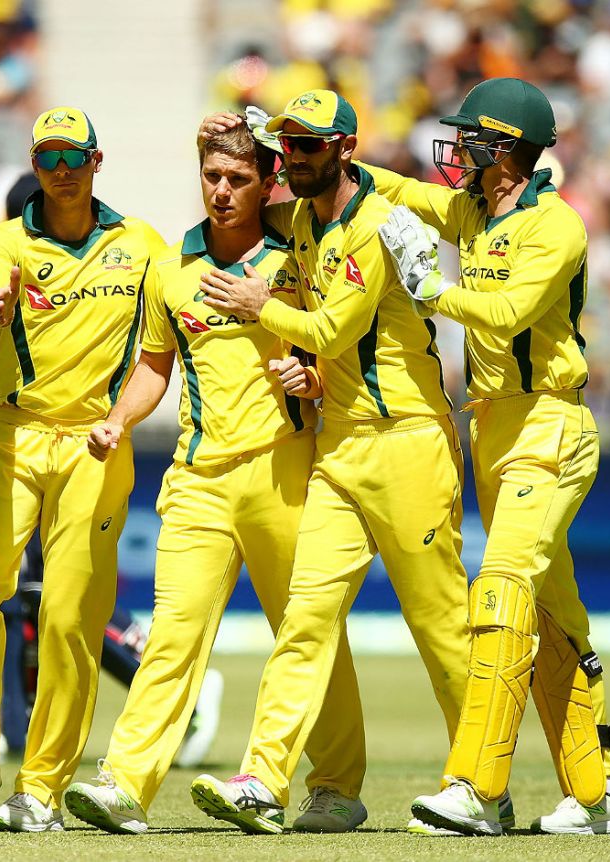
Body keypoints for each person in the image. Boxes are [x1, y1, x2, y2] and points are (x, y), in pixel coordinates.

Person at [61, 118, 367, 835]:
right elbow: (154, 364)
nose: (221, 192)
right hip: (198, 477)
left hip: (284, 470)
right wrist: (119, 419)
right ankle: (125, 786)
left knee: (307, 630)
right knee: (172, 632)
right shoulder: (171, 268)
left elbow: (340, 341)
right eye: (211, 178)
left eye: (237, 179)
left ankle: (335, 787)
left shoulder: (303, 248)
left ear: (269, 181)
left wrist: (313, 376)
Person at [188, 90, 472, 833]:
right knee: (304, 620)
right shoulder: (301, 216)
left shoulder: (377, 223)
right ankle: (266, 779)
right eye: (287, 147)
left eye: (311, 145)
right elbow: (242, 200)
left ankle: (481, 779)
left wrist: (258, 303)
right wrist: (229, 135)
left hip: (409, 440)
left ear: (345, 148)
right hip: (341, 446)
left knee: (441, 628)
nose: (296, 159)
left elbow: (335, 328)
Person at [375, 77, 610, 836]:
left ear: (506, 150)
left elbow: (512, 310)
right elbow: (400, 189)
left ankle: (477, 788)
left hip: (550, 428)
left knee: (501, 590)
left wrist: (431, 288)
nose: (457, 152)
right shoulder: (473, 211)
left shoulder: (555, 227)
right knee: (555, 617)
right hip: (493, 430)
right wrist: (312, 148)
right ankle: (597, 793)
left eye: (472, 140)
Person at [0, 106, 166, 832]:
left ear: (98, 161)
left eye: (73, 158)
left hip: (96, 443)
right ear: (34, 166)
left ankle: (42, 789)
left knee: (68, 619)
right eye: (47, 159)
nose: (60, 172)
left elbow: (159, 358)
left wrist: (121, 420)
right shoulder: (2, 239)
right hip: (12, 436)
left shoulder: (142, 245)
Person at [0, 172, 224, 769]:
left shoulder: (110, 255)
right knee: (30, 593)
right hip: (19, 445)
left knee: (60, 596)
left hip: (82, 446)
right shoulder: (8, 259)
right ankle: (26, 721)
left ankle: (171, 687)